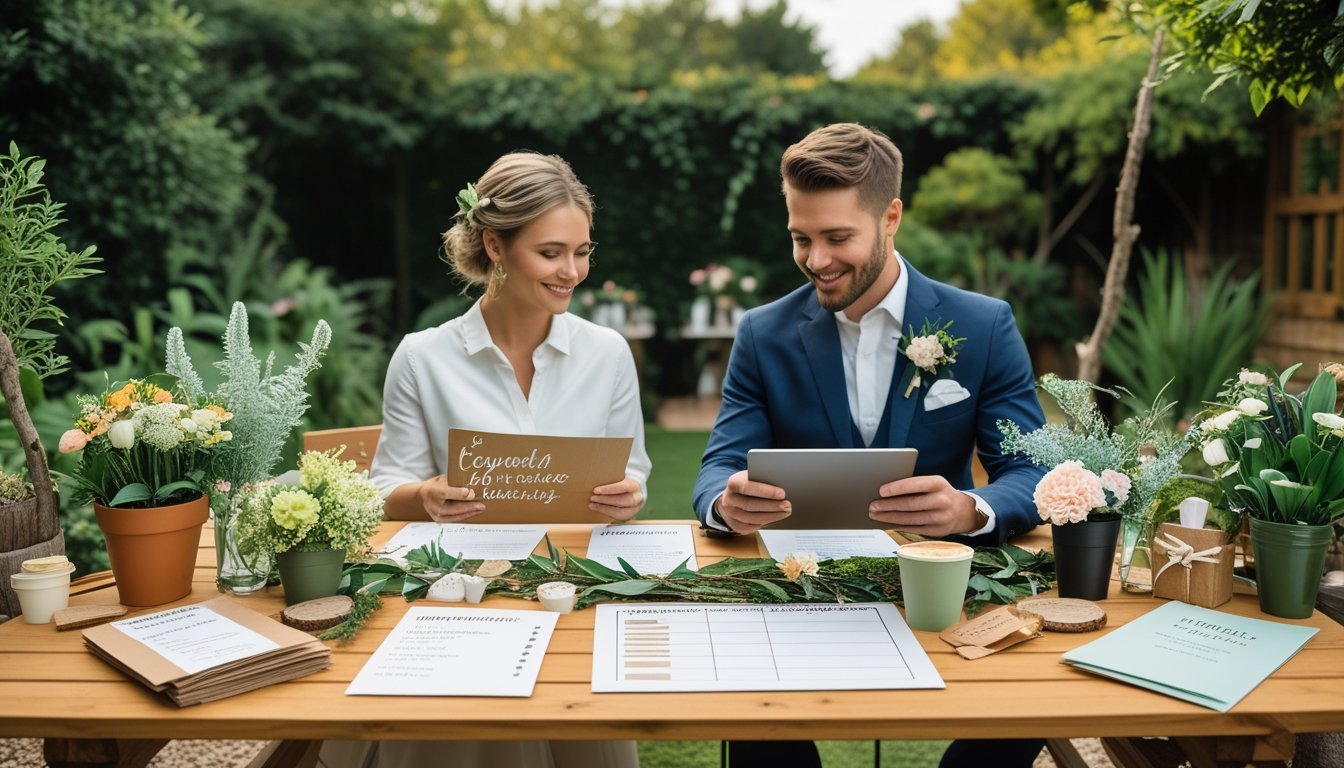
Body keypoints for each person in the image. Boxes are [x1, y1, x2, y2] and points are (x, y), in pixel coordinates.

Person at [691, 123, 1048, 768]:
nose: (816, 260)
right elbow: (720, 461)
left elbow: (1031, 470)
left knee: (1026, 710)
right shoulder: (762, 334)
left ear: (891, 218)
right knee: (750, 720)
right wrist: (725, 500)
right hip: (795, 589)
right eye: (801, 238)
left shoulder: (982, 325)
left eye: (837, 238)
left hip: (940, 587)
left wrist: (970, 511)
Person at [324, 151, 647, 768]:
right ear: (495, 246)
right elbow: (383, 486)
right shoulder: (422, 357)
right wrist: (422, 496)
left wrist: (628, 494)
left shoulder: (608, 353)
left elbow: (636, 472)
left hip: (572, 588)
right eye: (551, 252)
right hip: (458, 596)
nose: (572, 271)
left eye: (582, 251)